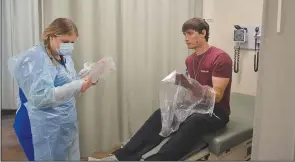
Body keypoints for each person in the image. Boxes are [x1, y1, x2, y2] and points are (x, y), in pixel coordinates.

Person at [97, 17, 233, 161]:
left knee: (194, 121)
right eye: (184, 35)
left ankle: (159, 159)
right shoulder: (190, 60)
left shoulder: (220, 58)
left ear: (203, 33)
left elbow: (217, 96)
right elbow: (195, 92)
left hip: (216, 112)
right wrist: (184, 85)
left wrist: (190, 85)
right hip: (196, 106)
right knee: (163, 113)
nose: (186, 38)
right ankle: (122, 156)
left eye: (190, 33)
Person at [9, 18, 94, 161]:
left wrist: (88, 77)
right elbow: (40, 97)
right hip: (37, 125)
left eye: (72, 42)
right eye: (65, 41)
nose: (69, 46)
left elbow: (67, 82)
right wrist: (77, 84)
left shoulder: (64, 56)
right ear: (52, 36)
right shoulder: (35, 59)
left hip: (59, 123)